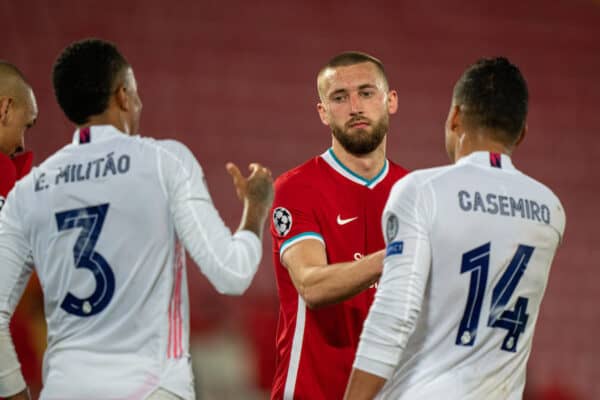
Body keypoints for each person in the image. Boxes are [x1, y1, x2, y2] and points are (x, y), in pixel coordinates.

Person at [0, 38, 273, 400]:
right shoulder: (165, 162)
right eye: (137, 94)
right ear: (123, 95)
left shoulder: (29, 190)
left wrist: (18, 395)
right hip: (150, 388)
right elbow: (232, 273)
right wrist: (255, 209)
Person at [344, 57, 566, 400]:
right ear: (521, 134)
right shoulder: (549, 211)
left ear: (456, 116)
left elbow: (394, 314)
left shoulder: (422, 191)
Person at [270, 51, 409, 400]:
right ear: (323, 112)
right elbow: (312, 286)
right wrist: (400, 253)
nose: (355, 106)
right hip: (310, 391)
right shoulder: (296, 188)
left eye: (366, 92)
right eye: (339, 97)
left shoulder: (415, 193)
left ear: (390, 101)